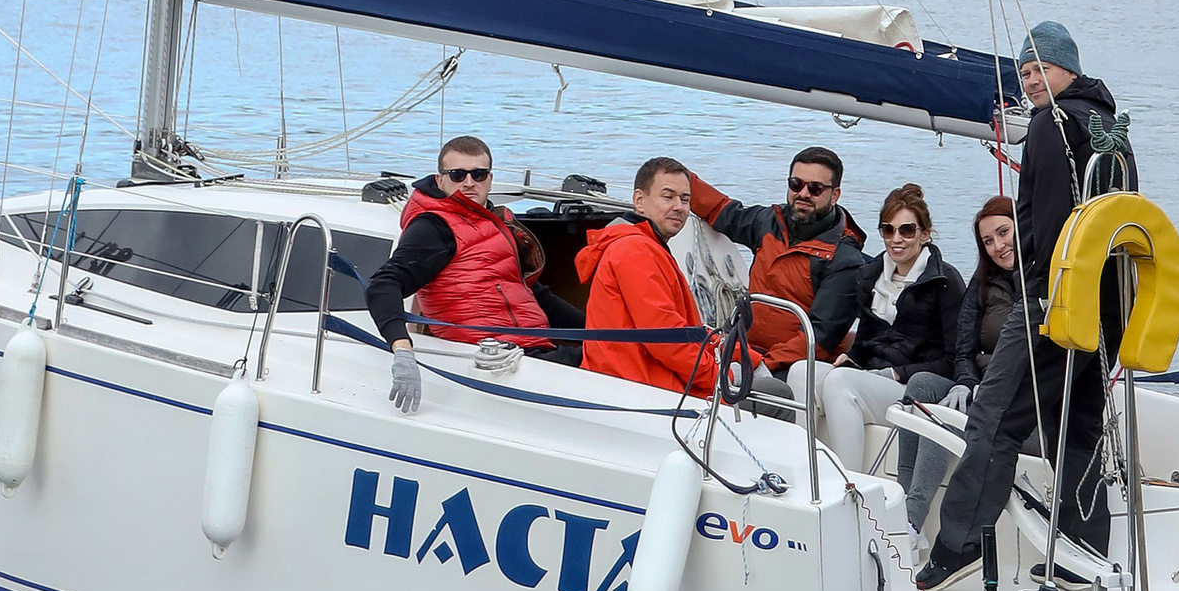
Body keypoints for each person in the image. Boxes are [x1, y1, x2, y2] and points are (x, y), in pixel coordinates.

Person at [918, 20, 1119, 589]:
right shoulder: (1106, 124)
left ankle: (959, 546)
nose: (1031, 81)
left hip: (1052, 302)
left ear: (1067, 69)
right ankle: (1084, 554)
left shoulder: (1050, 126)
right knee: (1075, 424)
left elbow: (1052, 222)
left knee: (995, 419)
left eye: (1040, 69)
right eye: (1025, 71)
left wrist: (1038, 290)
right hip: (1103, 305)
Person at [366, 133, 570, 415]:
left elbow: (531, 294)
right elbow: (383, 284)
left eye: (478, 174)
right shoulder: (434, 227)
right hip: (494, 359)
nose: (469, 182)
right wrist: (402, 350)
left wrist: (604, 330)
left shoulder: (492, 221)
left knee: (622, 355)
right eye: (458, 174)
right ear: (440, 180)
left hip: (531, 349)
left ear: (490, 178)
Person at [817, 181, 966, 530]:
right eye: (888, 229)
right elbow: (867, 339)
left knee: (839, 383)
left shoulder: (945, 282)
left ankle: (850, 492)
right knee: (801, 373)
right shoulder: (871, 276)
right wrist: (852, 358)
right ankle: (806, 479)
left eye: (906, 230)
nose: (896, 238)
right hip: (873, 377)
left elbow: (953, 358)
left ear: (924, 234)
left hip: (912, 388)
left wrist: (898, 374)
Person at [684, 145, 868, 373]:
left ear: (835, 195)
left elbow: (820, 339)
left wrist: (761, 365)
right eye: (796, 184)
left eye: (815, 188)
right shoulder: (768, 222)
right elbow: (724, 212)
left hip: (794, 367)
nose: (803, 194)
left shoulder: (845, 261)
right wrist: (682, 182)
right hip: (746, 347)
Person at [575, 154, 721, 394]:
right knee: (776, 395)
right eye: (668, 197)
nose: (679, 206)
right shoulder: (635, 252)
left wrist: (749, 357)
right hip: (641, 390)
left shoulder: (646, 246)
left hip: (645, 380)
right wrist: (722, 376)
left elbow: (683, 331)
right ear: (639, 201)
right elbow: (667, 341)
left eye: (685, 199)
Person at [954, 191, 1023, 392]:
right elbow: (964, 353)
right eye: (988, 241)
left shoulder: (1046, 280)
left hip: (1030, 389)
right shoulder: (980, 285)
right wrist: (967, 383)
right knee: (922, 384)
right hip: (984, 382)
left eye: (1003, 232)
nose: (999, 246)